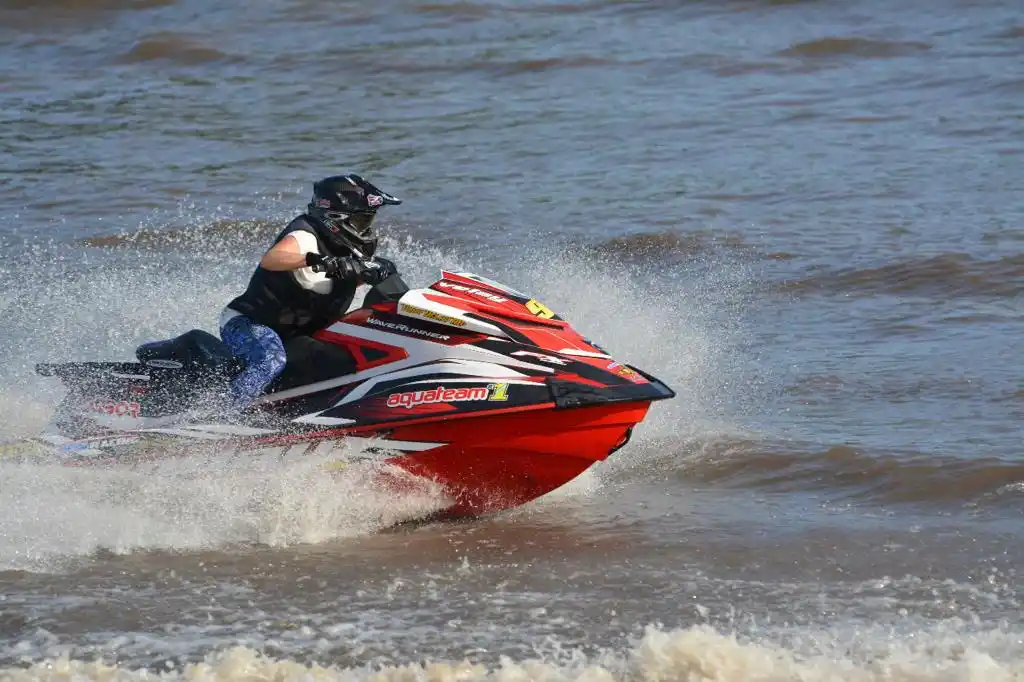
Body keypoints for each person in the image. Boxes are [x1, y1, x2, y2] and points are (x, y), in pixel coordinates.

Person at [219, 173, 402, 410]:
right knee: (269, 360)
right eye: (362, 221)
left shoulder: (351, 248)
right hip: (248, 323)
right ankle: (225, 415)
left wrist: (372, 273)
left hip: (295, 332)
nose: (366, 228)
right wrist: (323, 261)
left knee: (346, 356)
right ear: (336, 218)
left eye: (369, 220)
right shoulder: (304, 235)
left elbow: (332, 286)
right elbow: (272, 259)